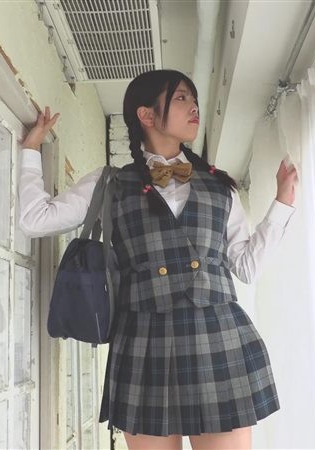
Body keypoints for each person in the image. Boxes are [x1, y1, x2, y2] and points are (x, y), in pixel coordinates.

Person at [18, 69, 298, 450]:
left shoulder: (221, 187)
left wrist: (282, 203)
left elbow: (247, 266)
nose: (194, 106)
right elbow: (35, 219)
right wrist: (31, 149)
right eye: (181, 98)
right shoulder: (111, 183)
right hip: (143, 344)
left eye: (194, 99)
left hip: (217, 341)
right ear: (146, 115)